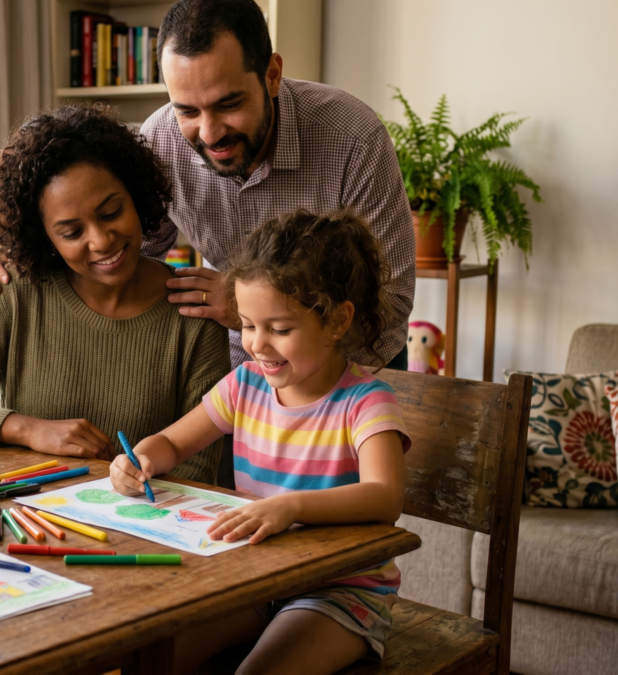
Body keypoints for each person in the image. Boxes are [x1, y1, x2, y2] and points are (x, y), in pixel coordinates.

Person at [0, 0, 416, 371]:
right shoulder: (160, 140)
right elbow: (125, 255)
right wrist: (23, 261)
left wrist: (248, 306)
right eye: (187, 109)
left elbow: (390, 306)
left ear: (273, 75)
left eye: (228, 104)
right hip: (234, 364)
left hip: (353, 365)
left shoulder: (354, 139)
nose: (209, 133)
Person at [110, 210, 411, 674]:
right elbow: (172, 442)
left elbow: (385, 496)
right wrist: (141, 459)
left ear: (336, 321)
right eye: (248, 325)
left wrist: (289, 508)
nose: (258, 344)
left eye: (280, 329)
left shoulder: (366, 402)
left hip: (340, 593)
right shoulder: (245, 384)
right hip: (254, 580)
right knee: (152, 657)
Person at [0, 105, 231, 484]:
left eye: (111, 212)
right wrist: (27, 428)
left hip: (140, 528)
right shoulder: (13, 291)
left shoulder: (194, 314)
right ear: (43, 236)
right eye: (72, 233)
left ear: (137, 194)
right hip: (29, 519)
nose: (101, 240)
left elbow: (196, 474)